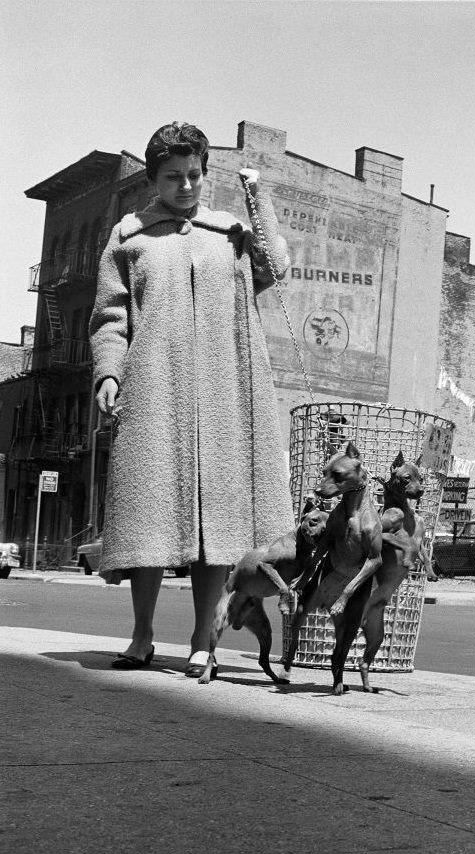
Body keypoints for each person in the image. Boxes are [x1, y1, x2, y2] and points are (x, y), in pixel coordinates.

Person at [90, 122, 294, 675]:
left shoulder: (228, 232)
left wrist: (259, 199)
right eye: (173, 177)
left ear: (205, 174)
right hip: (155, 388)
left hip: (223, 391)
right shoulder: (130, 238)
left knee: (217, 527)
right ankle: (141, 636)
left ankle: (204, 639)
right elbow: (110, 318)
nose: (185, 186)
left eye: (194, 175)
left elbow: (274, 269)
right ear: (154, 179)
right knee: (148, 517)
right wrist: (109, 374)